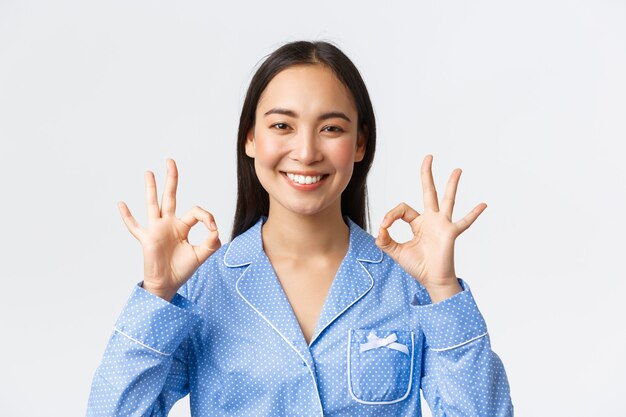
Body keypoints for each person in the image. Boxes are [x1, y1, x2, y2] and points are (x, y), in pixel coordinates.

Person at [86, 41, 513, 416]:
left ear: (360, 143)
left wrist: (442, 289)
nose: (306, 151)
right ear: (250, 139)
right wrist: (157, 292)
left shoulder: (408, 287)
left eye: (331, 128)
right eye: (281, 126)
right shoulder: (203, 289)